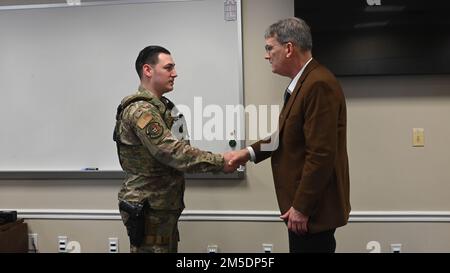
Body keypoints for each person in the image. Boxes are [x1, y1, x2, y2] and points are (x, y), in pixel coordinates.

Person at [229, 17, 350, 253]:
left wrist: (302, 207)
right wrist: (248, 153)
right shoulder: (303, 82)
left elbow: (321, 153)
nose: (266, 55)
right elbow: (287, 135)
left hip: (312, 211)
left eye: (269, 48)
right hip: (306, 208)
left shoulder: (318, 84)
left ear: (289, 48)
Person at [113, 45, 237, 253]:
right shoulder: (141, 110)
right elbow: (172, 152)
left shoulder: (163, 108)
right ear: (148, 70)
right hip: (149, 208)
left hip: (161, 206)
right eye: (168, 67)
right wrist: (220, 161)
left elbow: (179, 149)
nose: (175, 73)